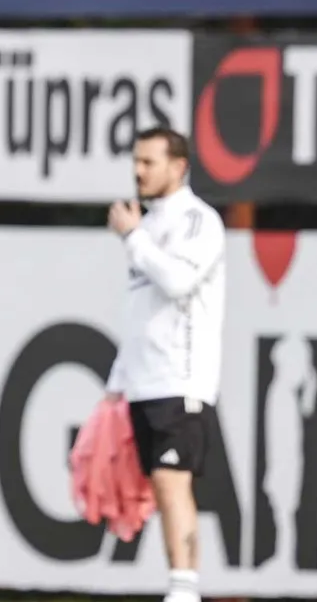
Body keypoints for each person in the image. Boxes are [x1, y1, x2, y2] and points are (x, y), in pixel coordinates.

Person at [104, 127, 225, 602]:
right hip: (144, 382)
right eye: (135, 161)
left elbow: (177, 282)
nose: (138, 171)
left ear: (179, 166)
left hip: (180, 379)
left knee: (173, 484)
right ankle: (179, 585)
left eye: (148, 162)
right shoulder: (149, 224)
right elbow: (141, 313)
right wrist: (118, 381)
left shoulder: (198, 220)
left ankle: (184, 590)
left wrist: (133, 237)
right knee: (160, 484)